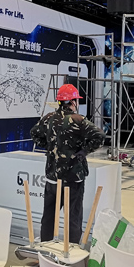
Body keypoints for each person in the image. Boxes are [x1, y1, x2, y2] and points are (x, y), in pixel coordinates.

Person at [30, 84, 105, 243]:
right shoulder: (78, 120)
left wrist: (50, 147)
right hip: (73, 177)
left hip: (52, 176)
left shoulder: (48, 118)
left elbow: (34, 133)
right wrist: (84, 151)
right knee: (73, 216)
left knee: (49, 216)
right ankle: (72, 250)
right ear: (72, 102)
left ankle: (45, 247)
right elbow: (99, 136)